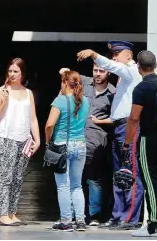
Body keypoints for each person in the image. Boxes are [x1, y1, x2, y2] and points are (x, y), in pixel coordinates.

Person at [76, 41, 143, 230]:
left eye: (117, 53)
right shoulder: (123, 77)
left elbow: (111, 66)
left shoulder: (130, 71)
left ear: (128, 55)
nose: (114, 57)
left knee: (130, 173)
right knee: (118, 175)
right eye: (112, 54)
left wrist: (93, 54)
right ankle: (118, 215)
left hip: (129, 127)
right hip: (119, 128)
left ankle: (130, 218)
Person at [122, 50, 157, 237]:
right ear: (155, 65)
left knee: (150, 181)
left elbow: (133, 119)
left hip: (149, 139)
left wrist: (127, 143)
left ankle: (153, 225)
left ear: (138, 67)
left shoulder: (141, 88)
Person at [60, 64, 115, 226]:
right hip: (76, 136)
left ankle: (94, 215)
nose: (97, 74)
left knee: (94, 179)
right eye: (95, 70)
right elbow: (65, 72)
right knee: (72, 178)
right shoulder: (84, 82)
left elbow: (118, 117)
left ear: (109, 72)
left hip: (96, 141)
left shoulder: (113, 92)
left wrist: (100, 121)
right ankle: (71, 214)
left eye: (101, 71)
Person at [0, 58, 41, 226]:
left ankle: (12, 212)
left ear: (22, 74)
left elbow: (32, 118)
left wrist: (38, 139)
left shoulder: (28, 93)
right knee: (6, 176)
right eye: (10, 71)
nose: (12, 74)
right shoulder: (1, 91)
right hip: (6, 137)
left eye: (15, 71)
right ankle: (3, 213)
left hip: (24, 139)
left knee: (18, 177)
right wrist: (4, 103)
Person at [45, 70, 90, 232]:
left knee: (63, 185)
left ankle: (66, 220)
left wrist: (47, 141)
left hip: (62, 145)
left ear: (64, 83)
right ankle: (80, 220)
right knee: (77, 185)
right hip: (80, 145)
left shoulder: (60, 101)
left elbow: (49, 124)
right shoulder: (85, 101)